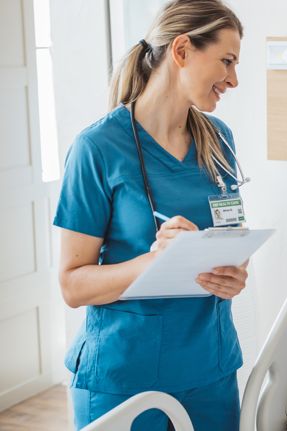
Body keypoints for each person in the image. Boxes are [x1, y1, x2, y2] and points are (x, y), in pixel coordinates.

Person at [54, 1, 246, 429]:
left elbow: (232, 239)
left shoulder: (220, 140)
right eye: (227, 61)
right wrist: (154, 261)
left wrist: (236, 272)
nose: (233, 79)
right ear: (181, 51)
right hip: (124, 379)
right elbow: (72, 284)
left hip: (210, 371)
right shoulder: (98, 148)